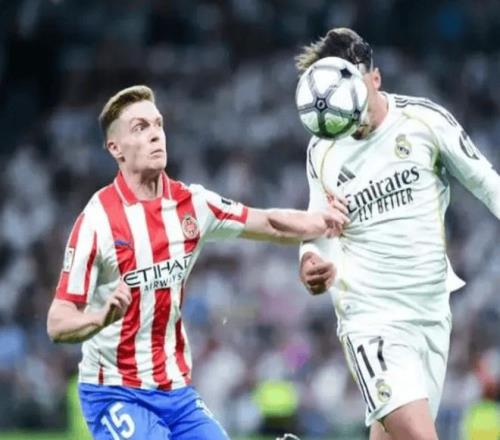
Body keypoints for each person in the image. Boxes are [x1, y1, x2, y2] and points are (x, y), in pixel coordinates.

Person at [46, 85, 349, 440]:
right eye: (140, 127)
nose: (155, 134)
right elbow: (57, 322)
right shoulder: (97, 221)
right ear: (116, 148)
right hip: (116, 391)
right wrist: (100, 318)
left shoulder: (193, 204)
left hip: (177, 393)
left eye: (158, 124)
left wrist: (323, 221)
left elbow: (267, 221)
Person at [297, 28, 500, 440]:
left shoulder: (424, 121)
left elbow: (487, 183)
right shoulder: (323, 149)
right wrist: (309, 259)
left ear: (375, 78)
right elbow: (317, 224)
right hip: (370, 316)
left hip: (430, 313)